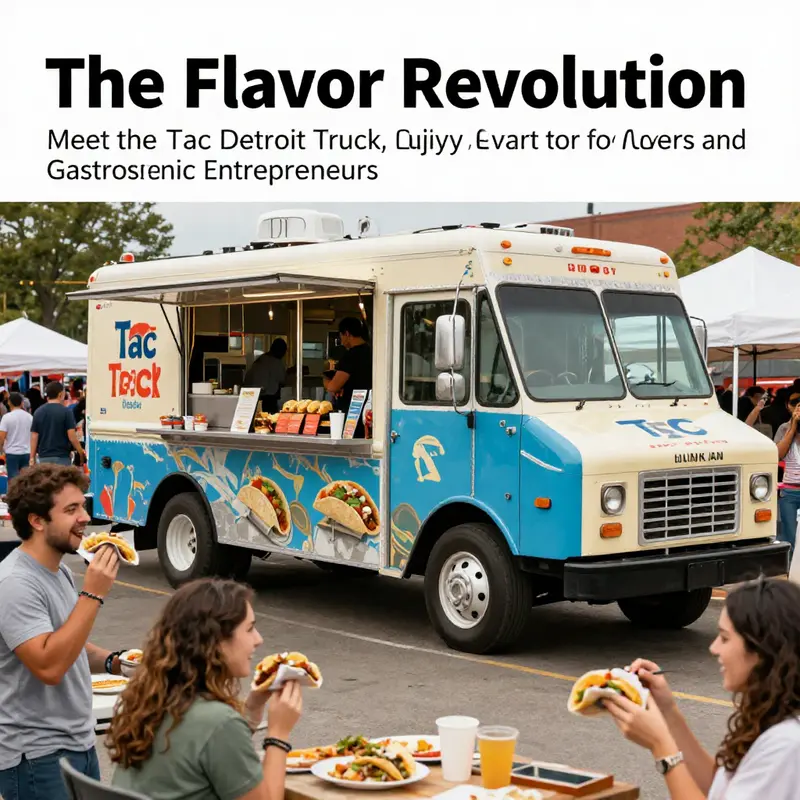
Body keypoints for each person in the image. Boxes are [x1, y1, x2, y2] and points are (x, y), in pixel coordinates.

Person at [603, 578, 800, 799]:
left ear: (761, 652)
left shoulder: (786, 745)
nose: (714, 648)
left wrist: (661, 745)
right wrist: (667, 711)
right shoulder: (775, 719)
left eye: (724, 638)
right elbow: (719, 789)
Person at [109, 578, 304, 800]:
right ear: (216, 641)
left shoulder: (152, 698)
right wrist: (278, 733)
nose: (259, 639)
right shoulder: (218, 722)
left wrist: (252, 707)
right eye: (249, 629)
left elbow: (210, 746)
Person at [0, 464, 126, 800]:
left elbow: (68, 644)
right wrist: (93, 594)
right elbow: (49, 666)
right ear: (37, 521)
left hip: (78, 743)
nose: (85, 518)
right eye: (71, 510)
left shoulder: (59, 572)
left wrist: (118, 662)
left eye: (82, 506)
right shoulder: (15, 583)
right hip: (36, 756)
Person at [323, 317, 372, 434]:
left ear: (347, 333)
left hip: (353, 412)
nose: (341, 340)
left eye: (341, 336)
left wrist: (325, 380)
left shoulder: (350, 356)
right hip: (369, 411)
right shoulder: (372, 351)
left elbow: (333, 387)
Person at [30, 381, 86, 467]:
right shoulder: (66, 412)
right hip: (62, 457)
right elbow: (72, 436)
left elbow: (34, 436)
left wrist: (32, 457)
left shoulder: (38, 412)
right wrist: (80, 452)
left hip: (43, 458)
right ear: (60, 394)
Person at [774, 389, 800, 556]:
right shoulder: (784, 428)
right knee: (790, 538)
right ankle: (791, 568)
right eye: (795, 404)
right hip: (789, 492)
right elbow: (778, 454)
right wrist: (793, 427)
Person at [243, 339, 288, 413]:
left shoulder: (260, 359)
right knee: (269, 417)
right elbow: (282, 380)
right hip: (268, 398)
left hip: (252, 396)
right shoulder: (277, 363)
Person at [0, 391, 33, 480]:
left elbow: (1, 437)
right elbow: (33, 435)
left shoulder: (6, 417)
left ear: (9, 403)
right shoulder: (30, 417)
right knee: (26, 480)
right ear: (22, 403)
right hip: (27, 452)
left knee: (13, 480)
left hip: (12, 453)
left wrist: (2, 450)